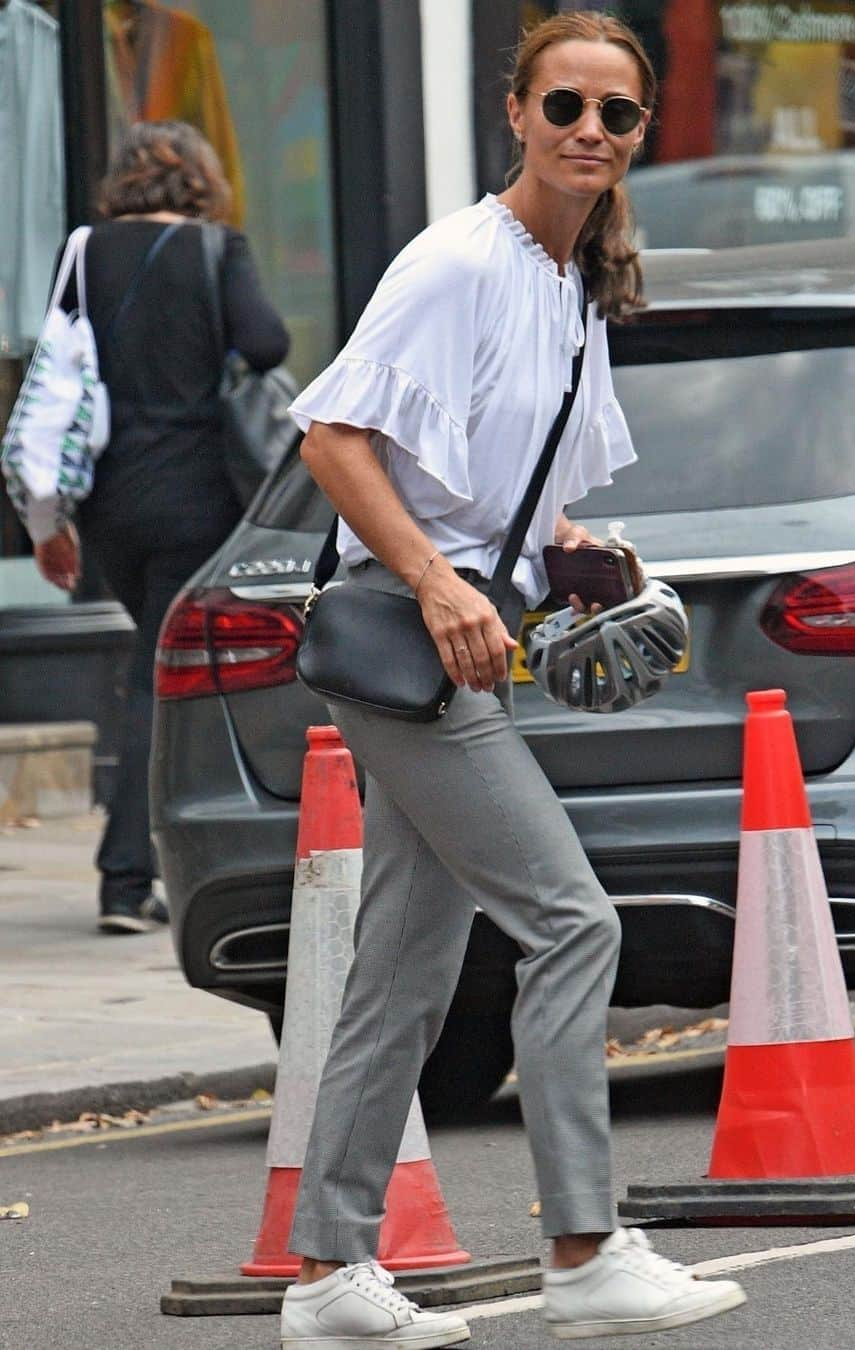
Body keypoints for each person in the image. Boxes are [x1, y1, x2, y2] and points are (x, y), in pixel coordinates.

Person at [279, 12, 747, 1348]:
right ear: (516, 114)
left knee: (403, 975)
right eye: (566, 108)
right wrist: (435, 579)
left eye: (617, 113)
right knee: (575, 921)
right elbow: (331, 439)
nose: (590, 132)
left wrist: (573, 553)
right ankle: (583, 1245)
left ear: (641, 129)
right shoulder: (460, 263)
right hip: (409, 642)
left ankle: (324, 1274)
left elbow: (505, 500)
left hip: (460, 636)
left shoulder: (567, 280)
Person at [32, 121, 289, 934]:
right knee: (162, 678)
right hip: (197, 498)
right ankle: (125, 876)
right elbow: (268, 341)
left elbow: (56, 375)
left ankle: (157, 863)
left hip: (109, 500)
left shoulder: (83, 251)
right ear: (201, 179)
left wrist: (48, 517)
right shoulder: (218, 249)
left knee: (154, 665)